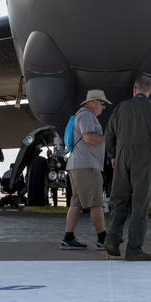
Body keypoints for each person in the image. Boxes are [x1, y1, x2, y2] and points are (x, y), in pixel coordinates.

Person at [104, 75, 151, 261]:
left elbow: (109, 132)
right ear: (150, 90)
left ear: (134, 89)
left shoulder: (121, 108)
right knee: (139, 204)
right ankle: (134, 249)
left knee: (118, 200)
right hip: (143, 158)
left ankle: (112, 239)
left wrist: (112, 155)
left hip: (122, 156)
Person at [61, 89, 111, 250]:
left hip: (78, 165)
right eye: (102, 104)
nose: (103, 108)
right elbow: (88, 137)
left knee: (76, 204)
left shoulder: (82, 114)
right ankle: (103, 239)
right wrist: (108, 139)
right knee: (96, 203)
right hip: (87, 166)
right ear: (94, 102)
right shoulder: (87, 114)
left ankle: (68, 238)